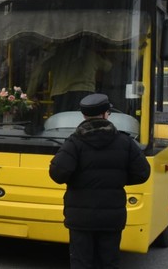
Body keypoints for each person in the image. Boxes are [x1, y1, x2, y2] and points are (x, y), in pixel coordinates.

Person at [49, 93, 150, 268]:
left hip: (80, 218)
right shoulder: (125, 142)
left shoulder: (74, 143)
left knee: (81, 262)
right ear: (106, 114)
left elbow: (57, 174)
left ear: (84, 116)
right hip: (112, 217)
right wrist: (117, 179)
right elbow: (142, 173)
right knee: (109, 261)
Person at [29, 36, 113, 113]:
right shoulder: (91, 54)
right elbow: (108, 66)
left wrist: (30, 94)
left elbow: (37, 75)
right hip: (84, 92)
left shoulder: (57, 55)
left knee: (62, 123)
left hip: (60, 94)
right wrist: (100, 51)